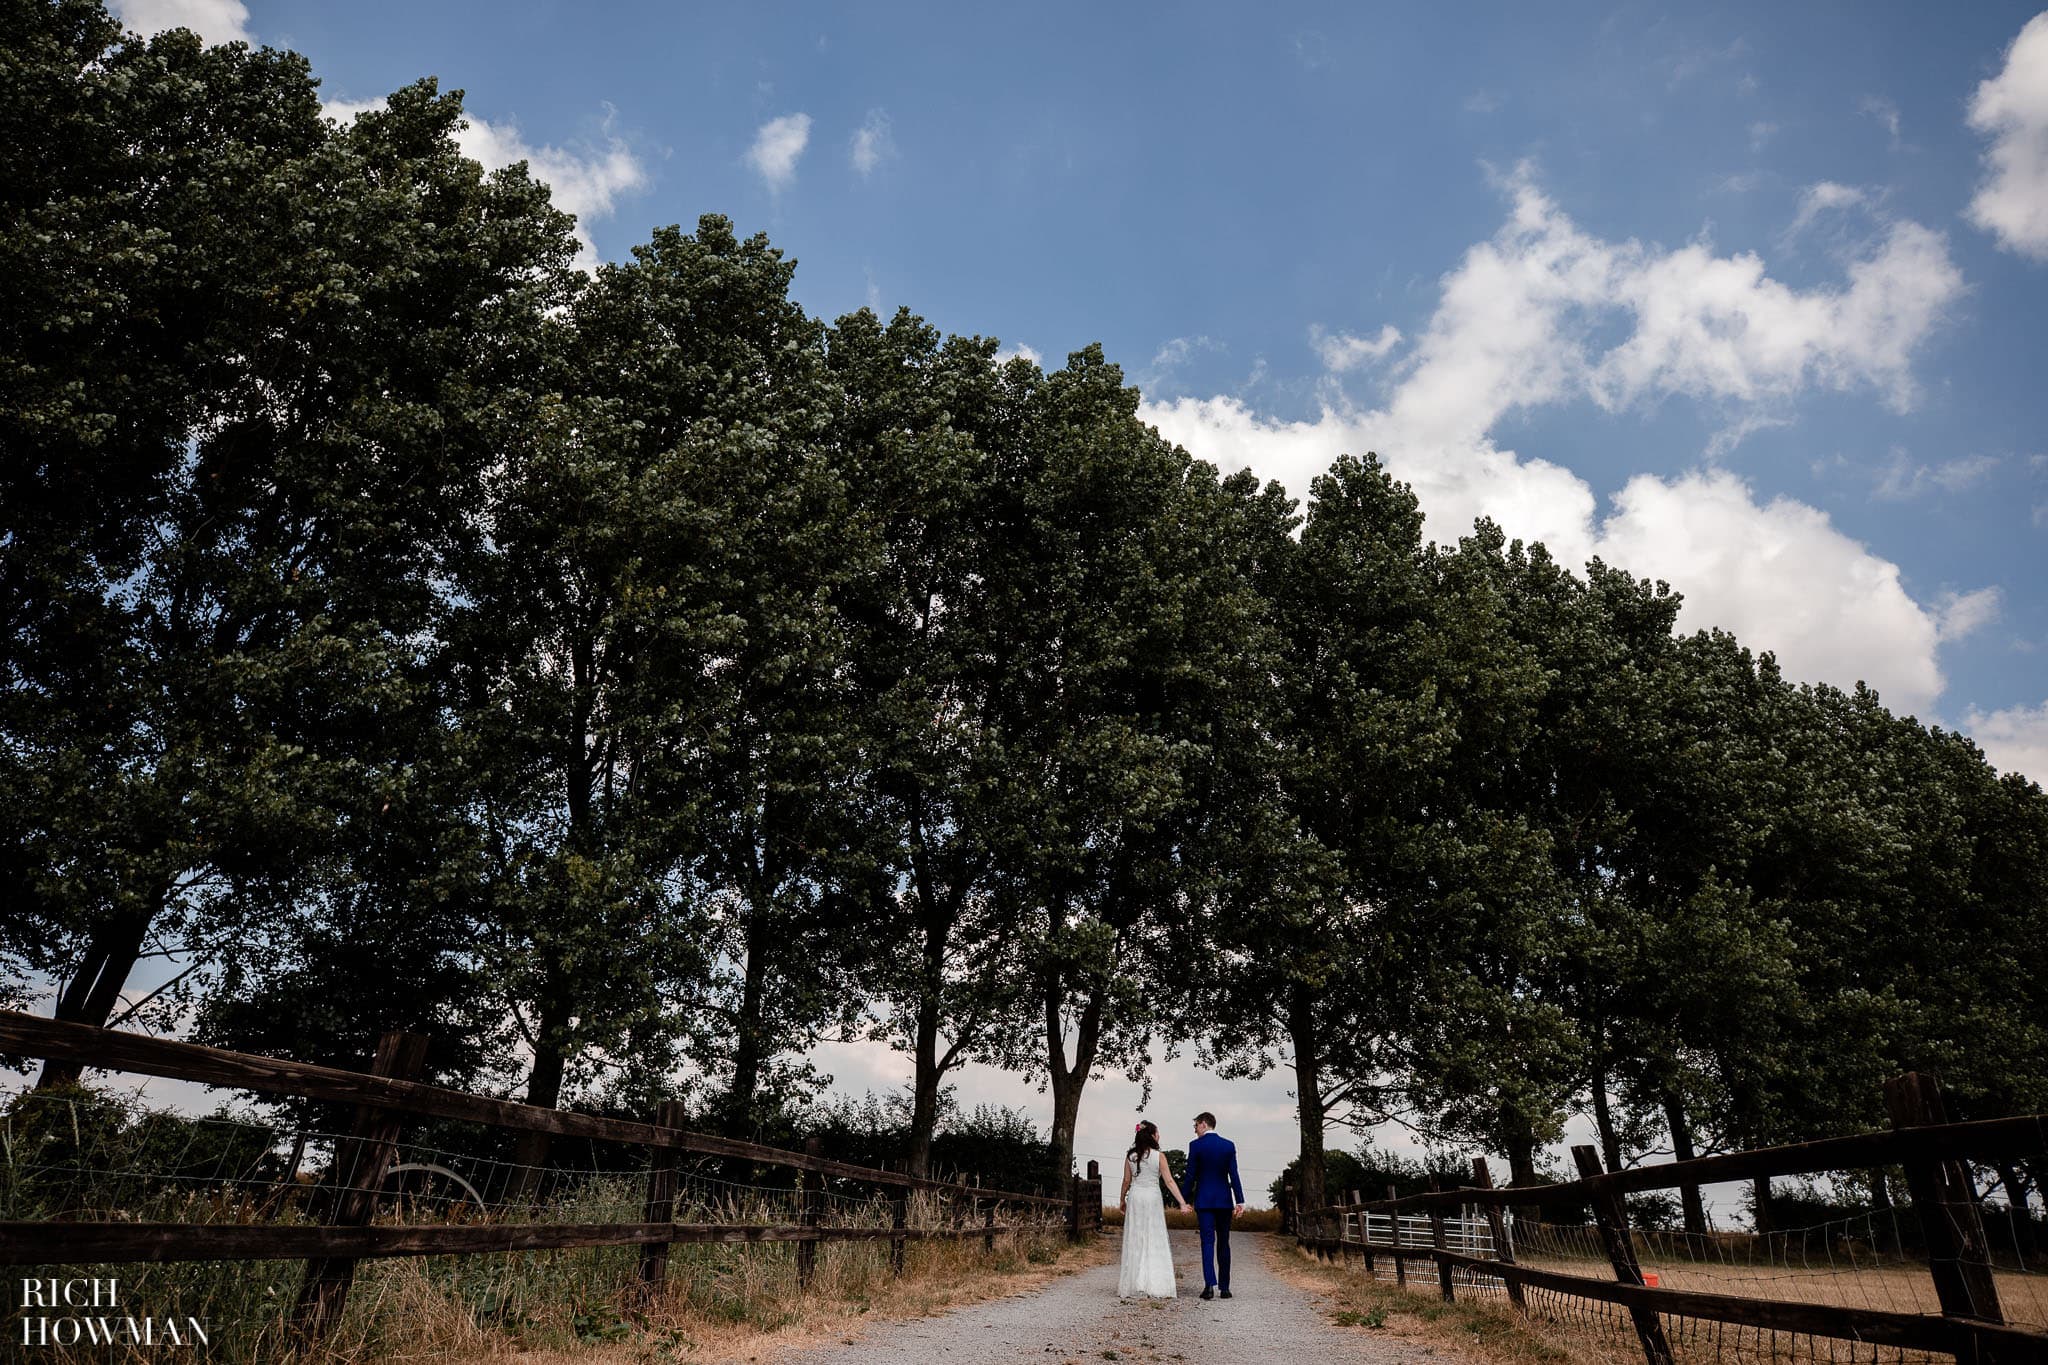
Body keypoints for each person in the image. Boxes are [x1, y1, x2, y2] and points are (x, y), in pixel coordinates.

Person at [1116, 1119, 1188, 1298]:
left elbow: (1126, 1181)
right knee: (1153, 1236)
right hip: (1152, 1197)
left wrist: (1121, 1200)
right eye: (1157, 1133)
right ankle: (1155, 1283)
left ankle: (1134, 1282)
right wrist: (1182, 1202)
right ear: (1152, 1136)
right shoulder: (1159, 1156)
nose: (1159, 1135)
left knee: (1136, 1236)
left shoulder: (1130, 1156)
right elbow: (1169, 1181)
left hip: (1136, 1196)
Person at [1182, 1111, 1245, 1299]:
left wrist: (1183, 1199)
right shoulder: (1228, 1146)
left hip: (1204, 1201)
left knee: (1207, 1242)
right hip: (1224, 1201)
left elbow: (1190, 1175)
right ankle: (1225, 1288)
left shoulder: (1196, 1146)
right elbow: (1234, 1175)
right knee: (1224, 1242)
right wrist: (1239, 1200)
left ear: (1203, 1124)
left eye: (1195, 1126)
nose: (1194, 1131)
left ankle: (1209, 1285)